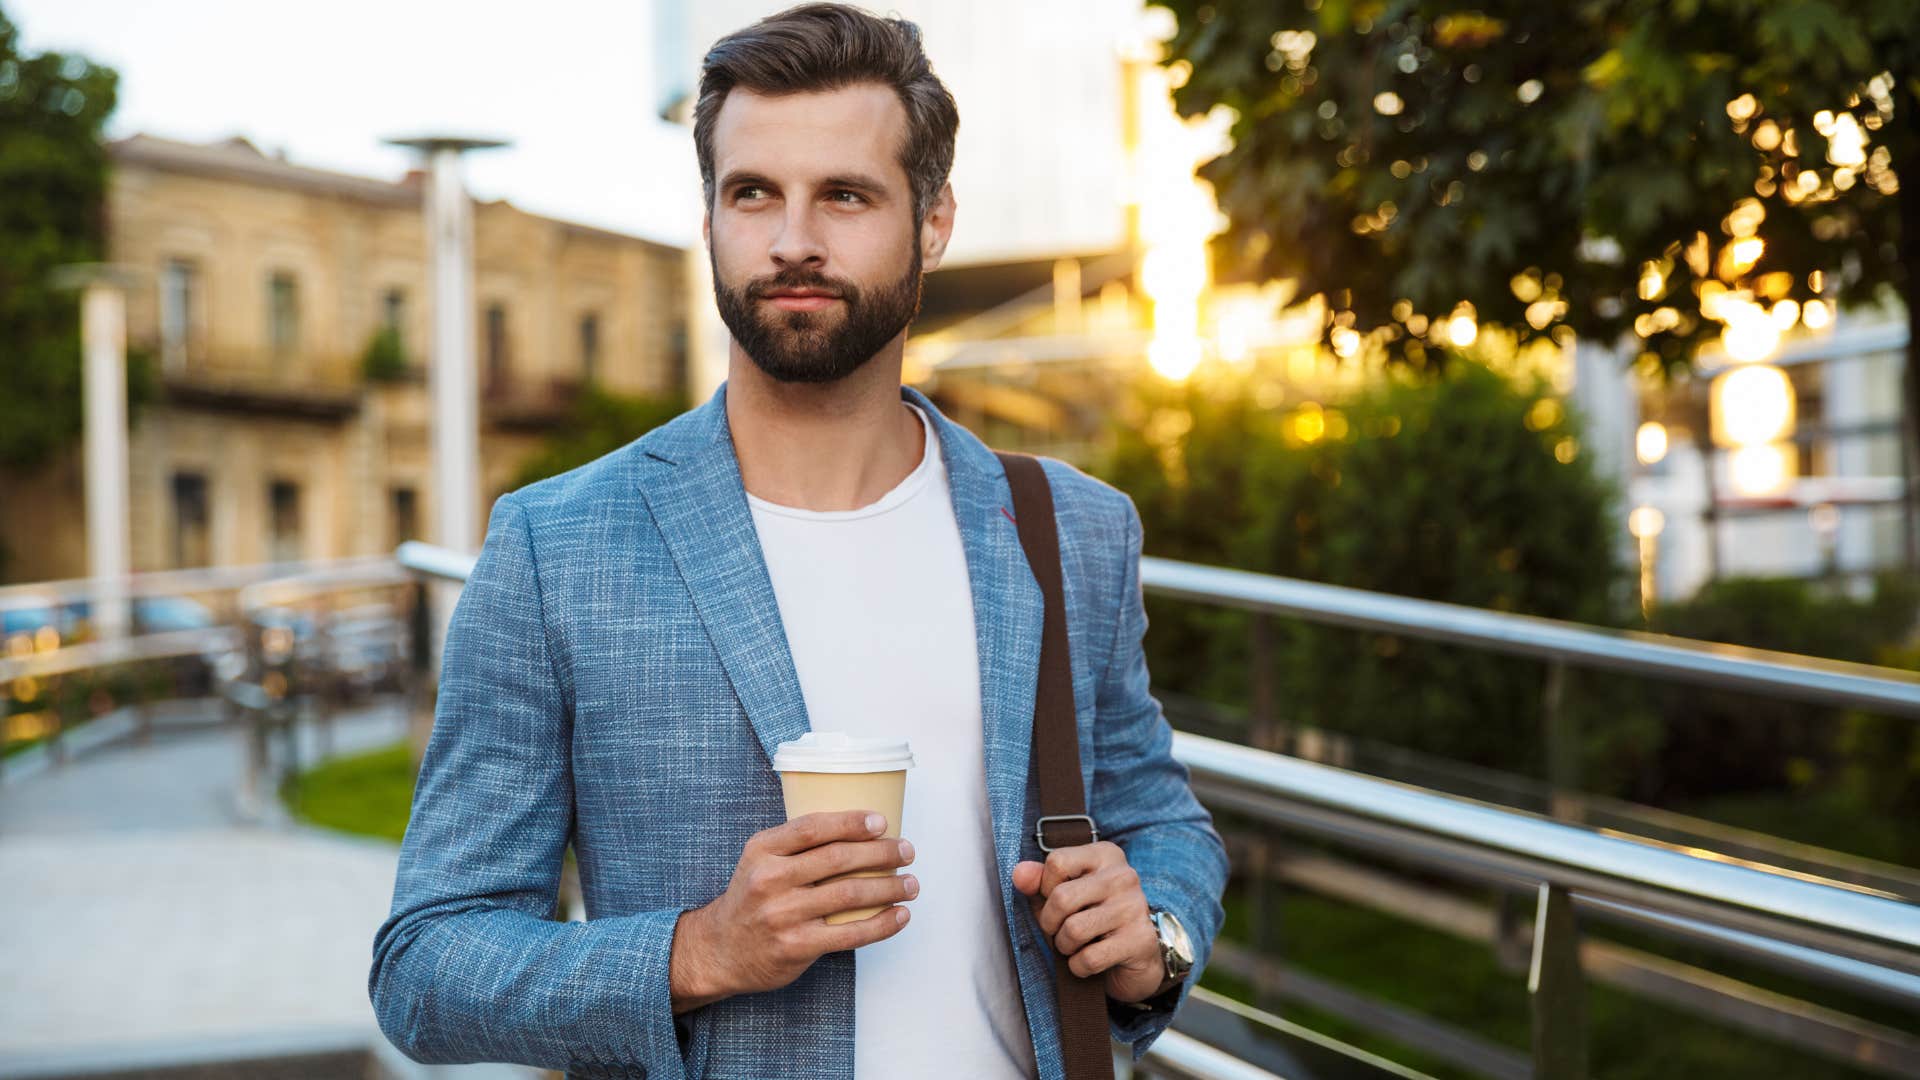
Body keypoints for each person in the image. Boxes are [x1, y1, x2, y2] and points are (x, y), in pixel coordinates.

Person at [367, 4, 1227, 1078]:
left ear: (935, 218)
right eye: (753, 193)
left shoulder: (1069, 528)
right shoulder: (558, 546)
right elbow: (426, 963)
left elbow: (1164, 824)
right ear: (711, 216)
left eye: (847, 196)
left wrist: (1159, 935)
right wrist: (700, 951)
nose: (792, 241)